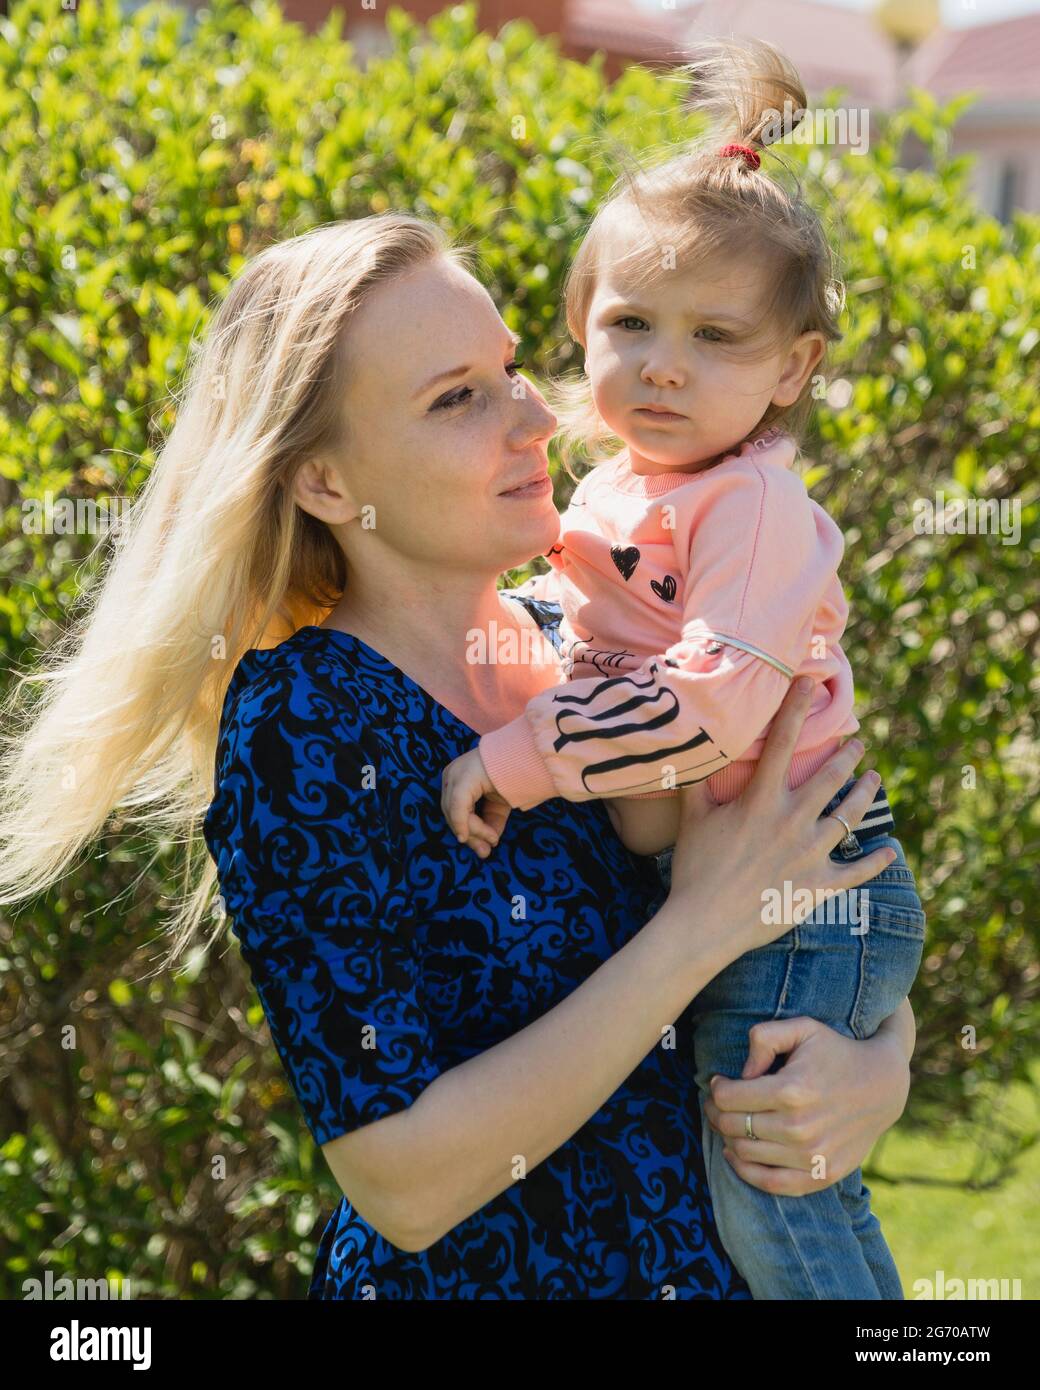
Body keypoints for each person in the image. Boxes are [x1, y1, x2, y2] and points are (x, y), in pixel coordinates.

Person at [0, 212, 916, 1300]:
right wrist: (692, 934)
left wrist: (875, 1066)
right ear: (328, 485)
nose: (533, 417)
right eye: (456, 398)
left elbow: (819, 876)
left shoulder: (597, 638)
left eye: (513, 370)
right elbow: (400, 1180)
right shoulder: (306, 724)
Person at [437, 37, 926, 1297]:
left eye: (714, 335)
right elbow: (584, 621)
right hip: (745, 875)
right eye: (630, 323)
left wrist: (527, 756)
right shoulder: (616, 487)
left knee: (772, 1187)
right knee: (754, 1180)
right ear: (576, 323)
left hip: (812, 882)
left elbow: (708, 703)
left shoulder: (752, 509)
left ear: (791, 368)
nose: (661, 363)